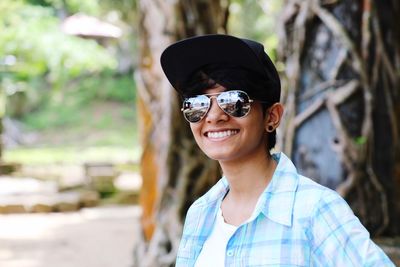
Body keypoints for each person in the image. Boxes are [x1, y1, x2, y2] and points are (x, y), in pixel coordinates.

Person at [160, 34, 394, 267]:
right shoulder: (200, 213)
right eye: (197, 104)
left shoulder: (315, 210)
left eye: (233, 101)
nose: (213, 116)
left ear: (272, 117)